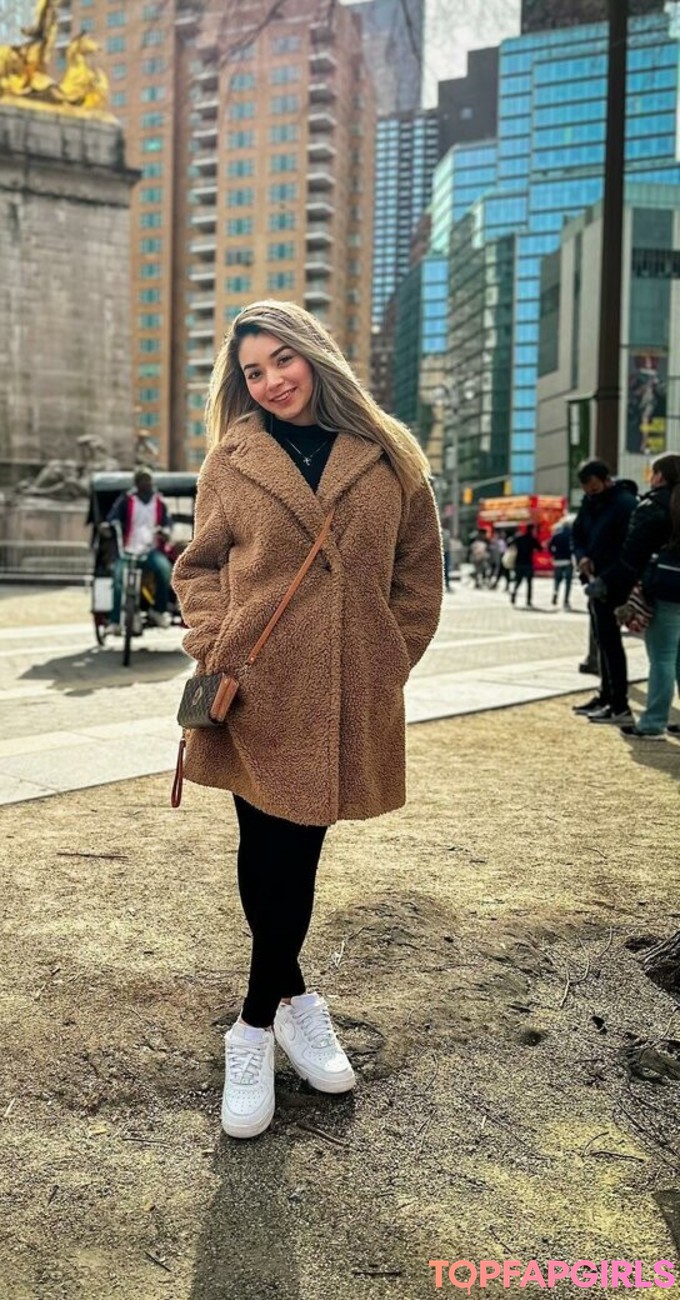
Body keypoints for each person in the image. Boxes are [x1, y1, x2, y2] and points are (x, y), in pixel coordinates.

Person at [171, 300, 443, 1140]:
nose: (270, 381)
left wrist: (385, 658)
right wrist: (214, 641)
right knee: (266, 850)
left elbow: (418, 578)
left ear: (315, 356)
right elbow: (199, 567)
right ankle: (269, 1019)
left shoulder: (390, 455)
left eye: (281, 360)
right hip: (254, 686)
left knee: (298, 851)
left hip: (345, 690)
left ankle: (264, 1016)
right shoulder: (233, 460)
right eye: (252, 371)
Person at [602, 453, 680, 740]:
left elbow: (632, 553)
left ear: (660, 476)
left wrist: (613, 584)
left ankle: (653, 722)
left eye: (653, 472)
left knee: (662, 657)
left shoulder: (653, 505)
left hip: (666, 586)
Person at [570, 459, 638, 724]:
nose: (591, 493)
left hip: (614, 582)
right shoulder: (589, 503)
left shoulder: (624, 505)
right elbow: (577, 534)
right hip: (594, 579)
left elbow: (630, 549)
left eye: (595, 488)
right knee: (602, 641)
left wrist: (607, 578)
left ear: (607, 480)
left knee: (611, 644)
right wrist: (582, 557)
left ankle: (619, 703)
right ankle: (606, 695)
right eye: (587, 490)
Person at [102, 468, 173, 635]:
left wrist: (165, 531)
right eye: (142, 480)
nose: (146, 483)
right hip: (128, 550)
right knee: (118, 578)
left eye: (148, 480)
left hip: (151, 550)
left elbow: (167, 524)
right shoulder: (126, 500)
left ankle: (158, 610)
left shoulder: (159, 502)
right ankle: (114, 621)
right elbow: (112, 518)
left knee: (165, 570)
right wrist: (108, 525)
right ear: (136, 483)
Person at [509, 524, 542, 608]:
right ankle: (528, 601)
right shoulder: (532, 539)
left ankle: (514, 593)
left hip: (518, 562)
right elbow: (540, 549)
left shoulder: (519, 538)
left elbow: (510, 543)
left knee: (518, 581)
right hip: (528, 563)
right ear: (531, 530)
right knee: (529, 583)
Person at [548, 519, 574, 610]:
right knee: (568, 582)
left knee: (557, 579)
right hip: (568, 561)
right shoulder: (571, 536)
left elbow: (549, 546)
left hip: (557, 561)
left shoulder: (556, 535)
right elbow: (574, 548)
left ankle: (555, 592)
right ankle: (566, 601)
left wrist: (554, 554)